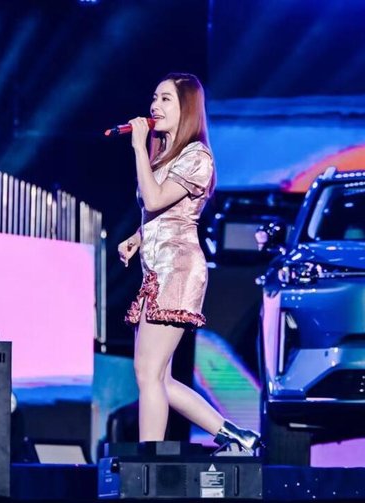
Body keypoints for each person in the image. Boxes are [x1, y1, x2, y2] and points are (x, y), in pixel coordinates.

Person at [117, 73, 261, 452]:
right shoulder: (167, 156)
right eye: (154, 97)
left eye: (165, 99)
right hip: (157, 269)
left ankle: (149, 460)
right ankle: (237, 436)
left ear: (187, 109)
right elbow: (163, 214)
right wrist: (138, 237)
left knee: (148, 373)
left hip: (177, 270)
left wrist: (138, 147)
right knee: (158, 378)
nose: (154, 106)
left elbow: (154, 199)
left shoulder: (197, 157)